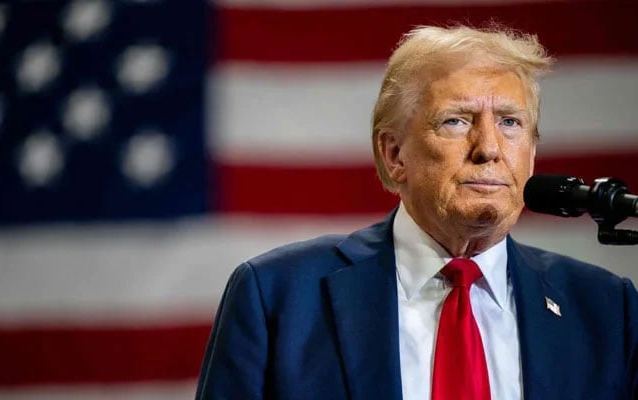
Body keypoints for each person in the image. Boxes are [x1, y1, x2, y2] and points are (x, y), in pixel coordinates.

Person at [196, 25, 638, 400]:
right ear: (394, 155)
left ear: (533, 153)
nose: (489, 148)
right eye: (456, 121)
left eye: (510, 122)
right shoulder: (279, 296)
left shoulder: (604, 308)